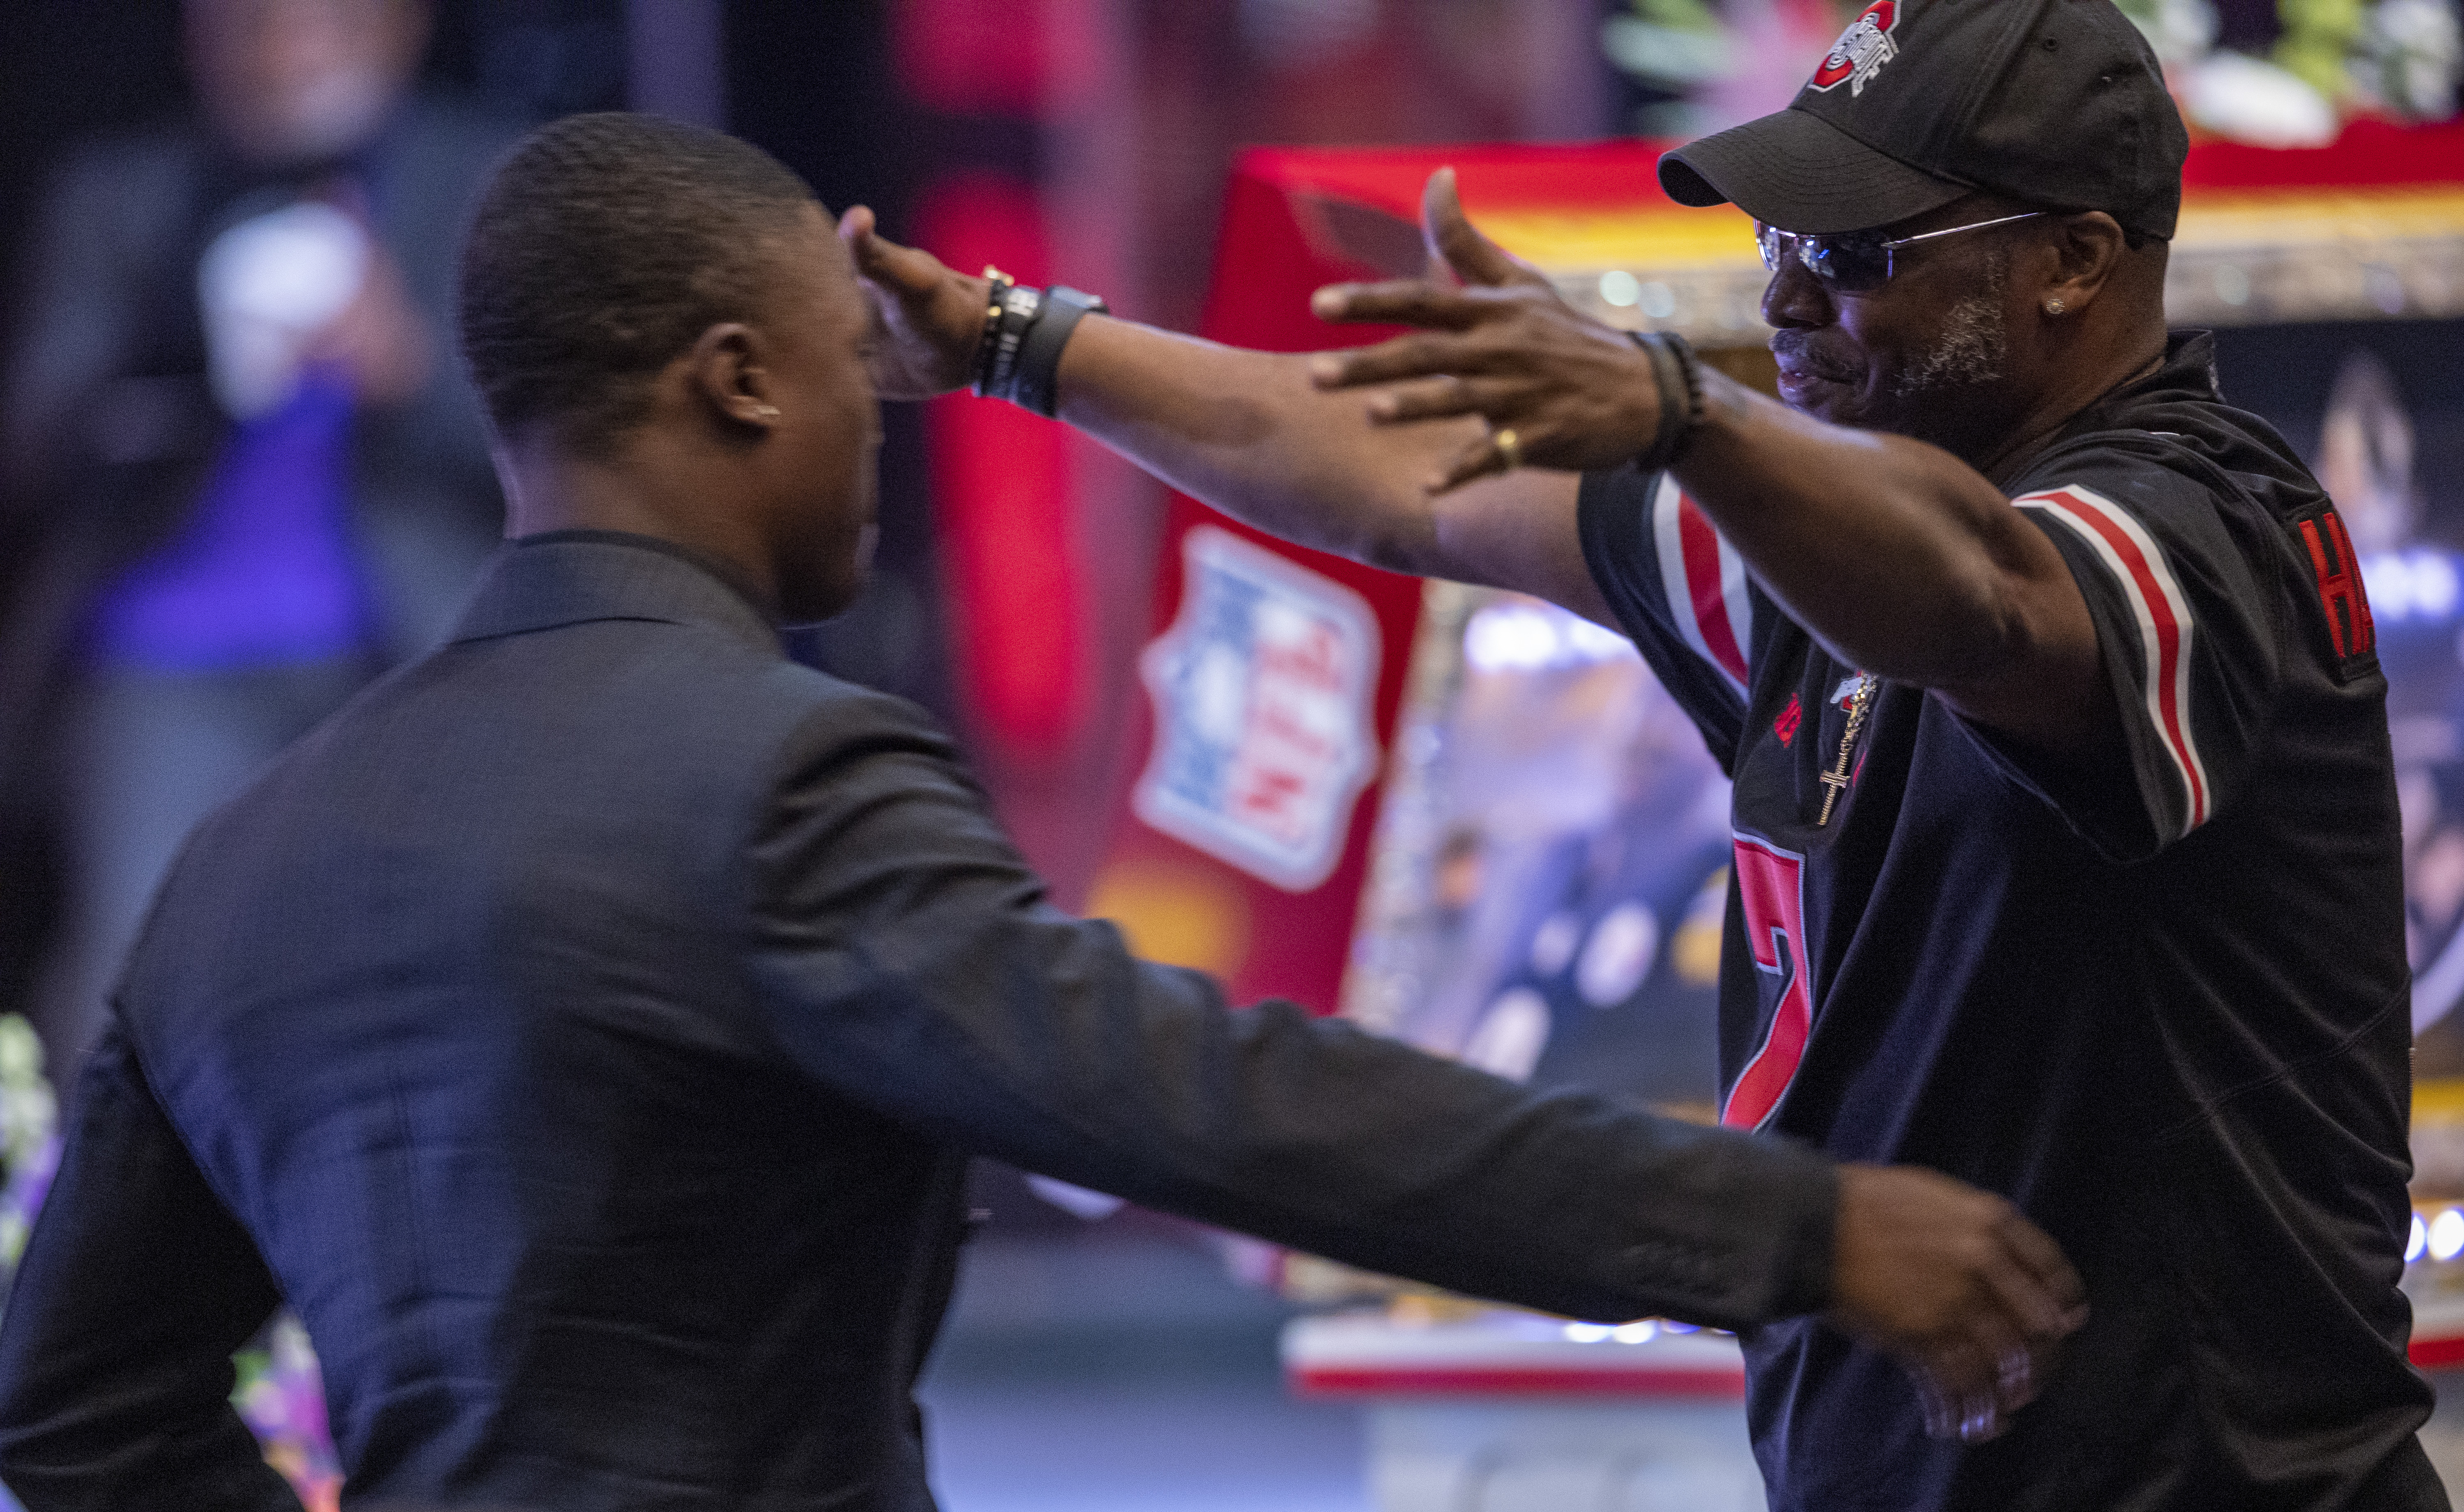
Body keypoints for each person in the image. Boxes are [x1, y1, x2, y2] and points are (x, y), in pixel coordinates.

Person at [0, 114, 2082, 1512]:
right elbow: (1220, 1100)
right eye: (848, 376)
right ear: (737, 382)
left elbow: (77, 1414)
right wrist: (1799, 1226)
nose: (872, 442)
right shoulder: (782, 782)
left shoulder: (239, 855)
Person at [845, 0, 2436, 1505]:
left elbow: (1991, 603)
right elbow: (1407, 469)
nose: (1787, 297)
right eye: (1776, 240)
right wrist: (1009, 341)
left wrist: (1687, 413)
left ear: (2076, 264)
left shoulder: (2210, 529)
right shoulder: (1824, 537)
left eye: (1857, 253)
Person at [0, 0, 519, 1077]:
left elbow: (576, 437)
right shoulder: (128, 192)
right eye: (250, 25)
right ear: (200, 39)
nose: (283, 56)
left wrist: (411, 371)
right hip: (167, 656)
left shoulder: (483, 182)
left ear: (398, 29)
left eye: (317, 25)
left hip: (411, 651)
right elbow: (41, 440)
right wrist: (185, 354)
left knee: (442, 972)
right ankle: (103, 1242)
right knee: (131, 982)